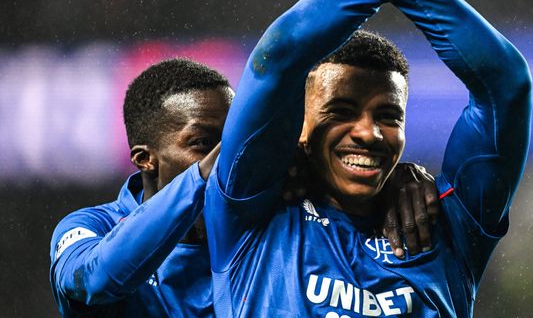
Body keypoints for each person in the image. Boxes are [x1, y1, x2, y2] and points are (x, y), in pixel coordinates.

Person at [205, 0, 531, 318]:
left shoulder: (446, 225)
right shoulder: (251, 211)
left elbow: (506, 85)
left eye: (388, 116)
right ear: (299, 129)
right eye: (340, 112)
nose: (369, 133)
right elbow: (278, 57)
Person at [49, 58, 438, 317]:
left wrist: (397, 179)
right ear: (144, 158)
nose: (234, 156)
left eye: (236, 138)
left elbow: (351, 172)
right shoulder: (91, 228)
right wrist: (209, 173)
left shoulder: (271, 214)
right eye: (204, 143)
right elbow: (96, 280)